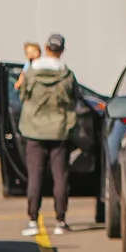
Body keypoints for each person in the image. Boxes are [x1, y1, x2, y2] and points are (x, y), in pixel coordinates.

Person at [19, 34, 79, 237]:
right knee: (60, 177)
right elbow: (74, 99)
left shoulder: (31, 72)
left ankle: (32, 220)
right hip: (59, 131)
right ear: (61, 50)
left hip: (33, 131)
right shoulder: (66, 74)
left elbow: (22, 95)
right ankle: (60, 220)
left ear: (45, 47)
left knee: (35, 177)